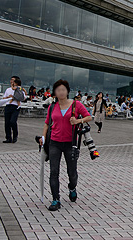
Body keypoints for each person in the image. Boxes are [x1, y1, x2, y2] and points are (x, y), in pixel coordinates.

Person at [39, 79, 92, 211]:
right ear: (55, 93)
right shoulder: (52, 107)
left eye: (63, 90)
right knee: (53, 171)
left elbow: (89, 117)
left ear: (67, 91)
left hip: (71, 143)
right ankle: (55, 199)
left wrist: (78, 120)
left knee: (72, 172)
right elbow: (47, 124)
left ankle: (72, 187)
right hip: (54, 143)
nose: (61, 92)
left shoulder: (76, 104)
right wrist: (43, 137)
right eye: (58, 90)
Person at [3, 76, 22, 143]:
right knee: (7, 123)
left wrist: (14, 97)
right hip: (8, 106)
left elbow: (23, 98)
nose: (12, 81)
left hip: (15, 107)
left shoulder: (19, 89)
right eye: (11, 80)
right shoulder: (8, 89)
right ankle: (8, 137)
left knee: (13, 121)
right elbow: (4, 98)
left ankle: (15, 136)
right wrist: (8, 97)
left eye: (13, 80)